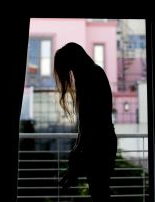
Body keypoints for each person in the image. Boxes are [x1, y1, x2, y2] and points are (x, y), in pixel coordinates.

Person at [54, 42, 117, 201]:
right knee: (100, 191)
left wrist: (77, 154)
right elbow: (89, 124)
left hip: (99, 145)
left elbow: (90, 124)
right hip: (102, 143)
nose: (70, 75)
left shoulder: (91, 77)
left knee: (99, 191)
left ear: (73, 63)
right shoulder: (94, 74)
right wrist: (78, 151)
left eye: (69, 69)